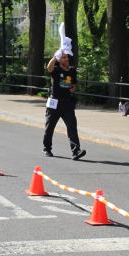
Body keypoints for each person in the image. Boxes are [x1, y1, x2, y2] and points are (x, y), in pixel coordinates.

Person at [43, 24, 86, 160]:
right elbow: (49, 68)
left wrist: (73, 88)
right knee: (50, 127)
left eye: (67, 57)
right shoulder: (56, 70)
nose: (66, 59)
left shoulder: (72, 70)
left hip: (67, 103)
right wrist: (55, 57)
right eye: (63, 58)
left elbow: (74, 84)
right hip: (54, 102)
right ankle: (47, 148)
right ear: (59, 60)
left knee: (72, 127)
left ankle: (76, 151)